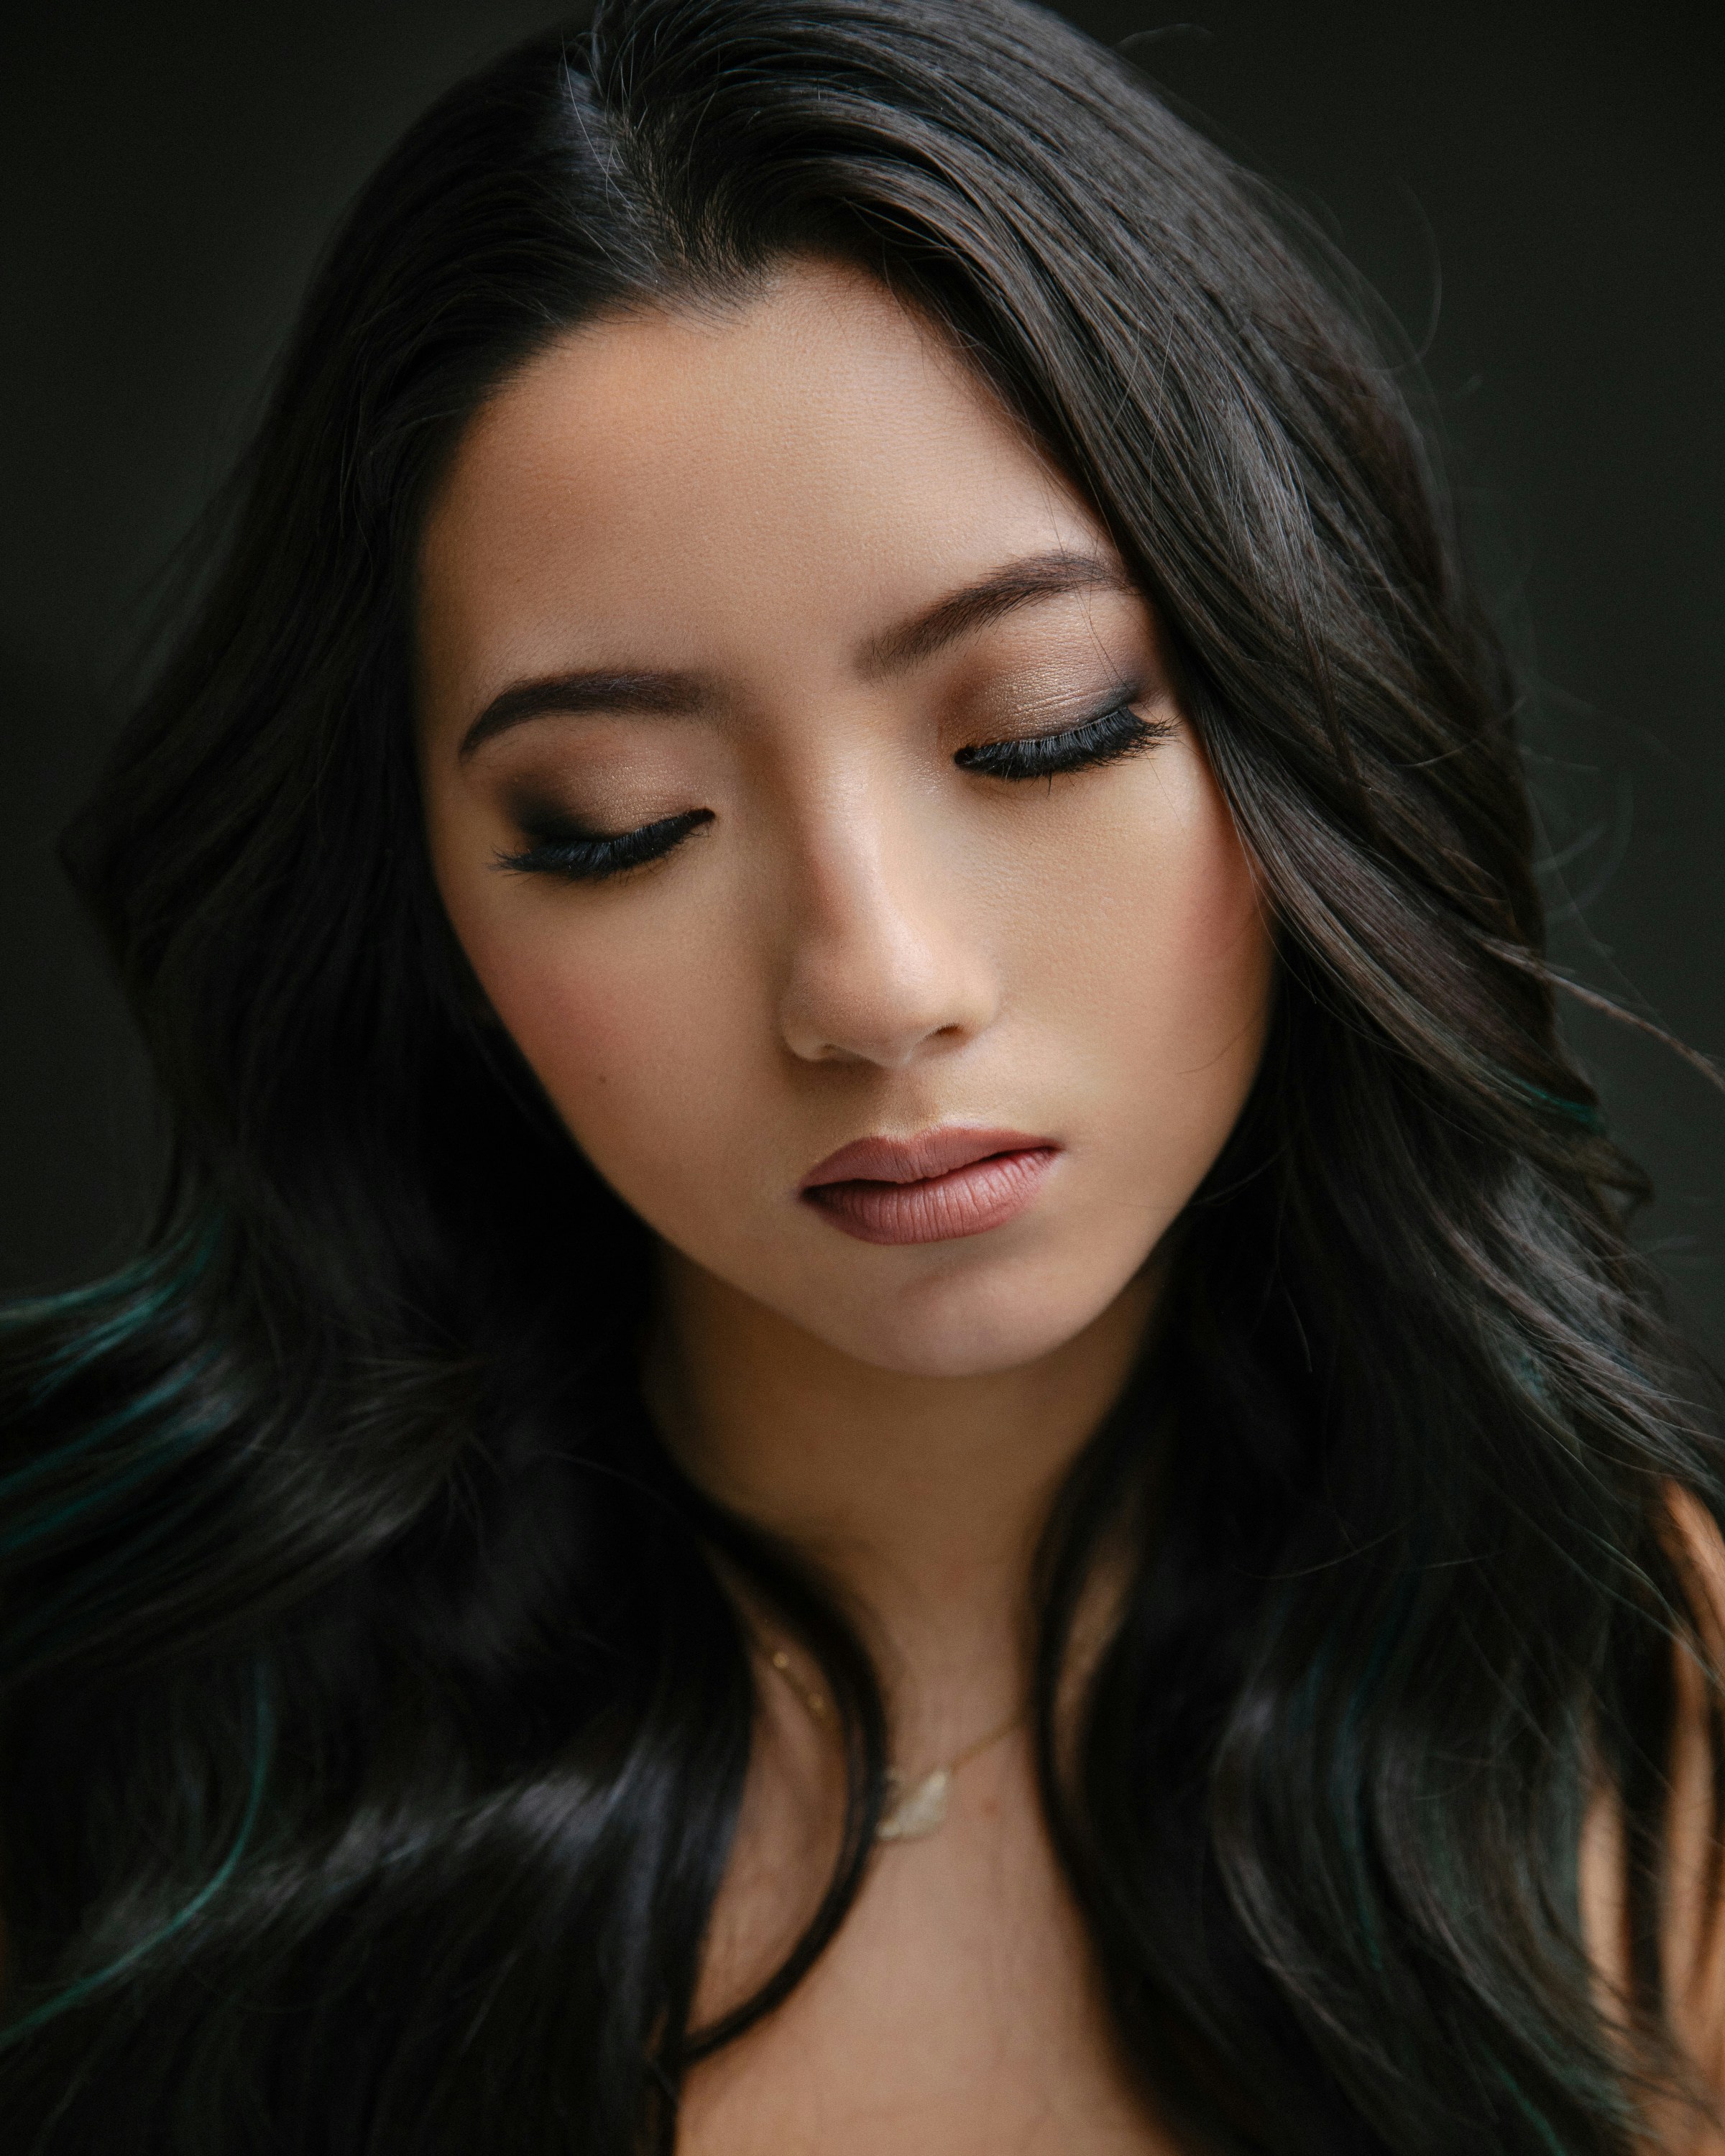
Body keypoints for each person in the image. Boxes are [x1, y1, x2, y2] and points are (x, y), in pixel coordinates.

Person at [1, 1, 1721, 2149]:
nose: (876, 985)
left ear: (1308, 711)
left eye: (1040, 729)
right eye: (617, 826)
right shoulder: (105, 1710)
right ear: (421, 898)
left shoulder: (1632, 1696)